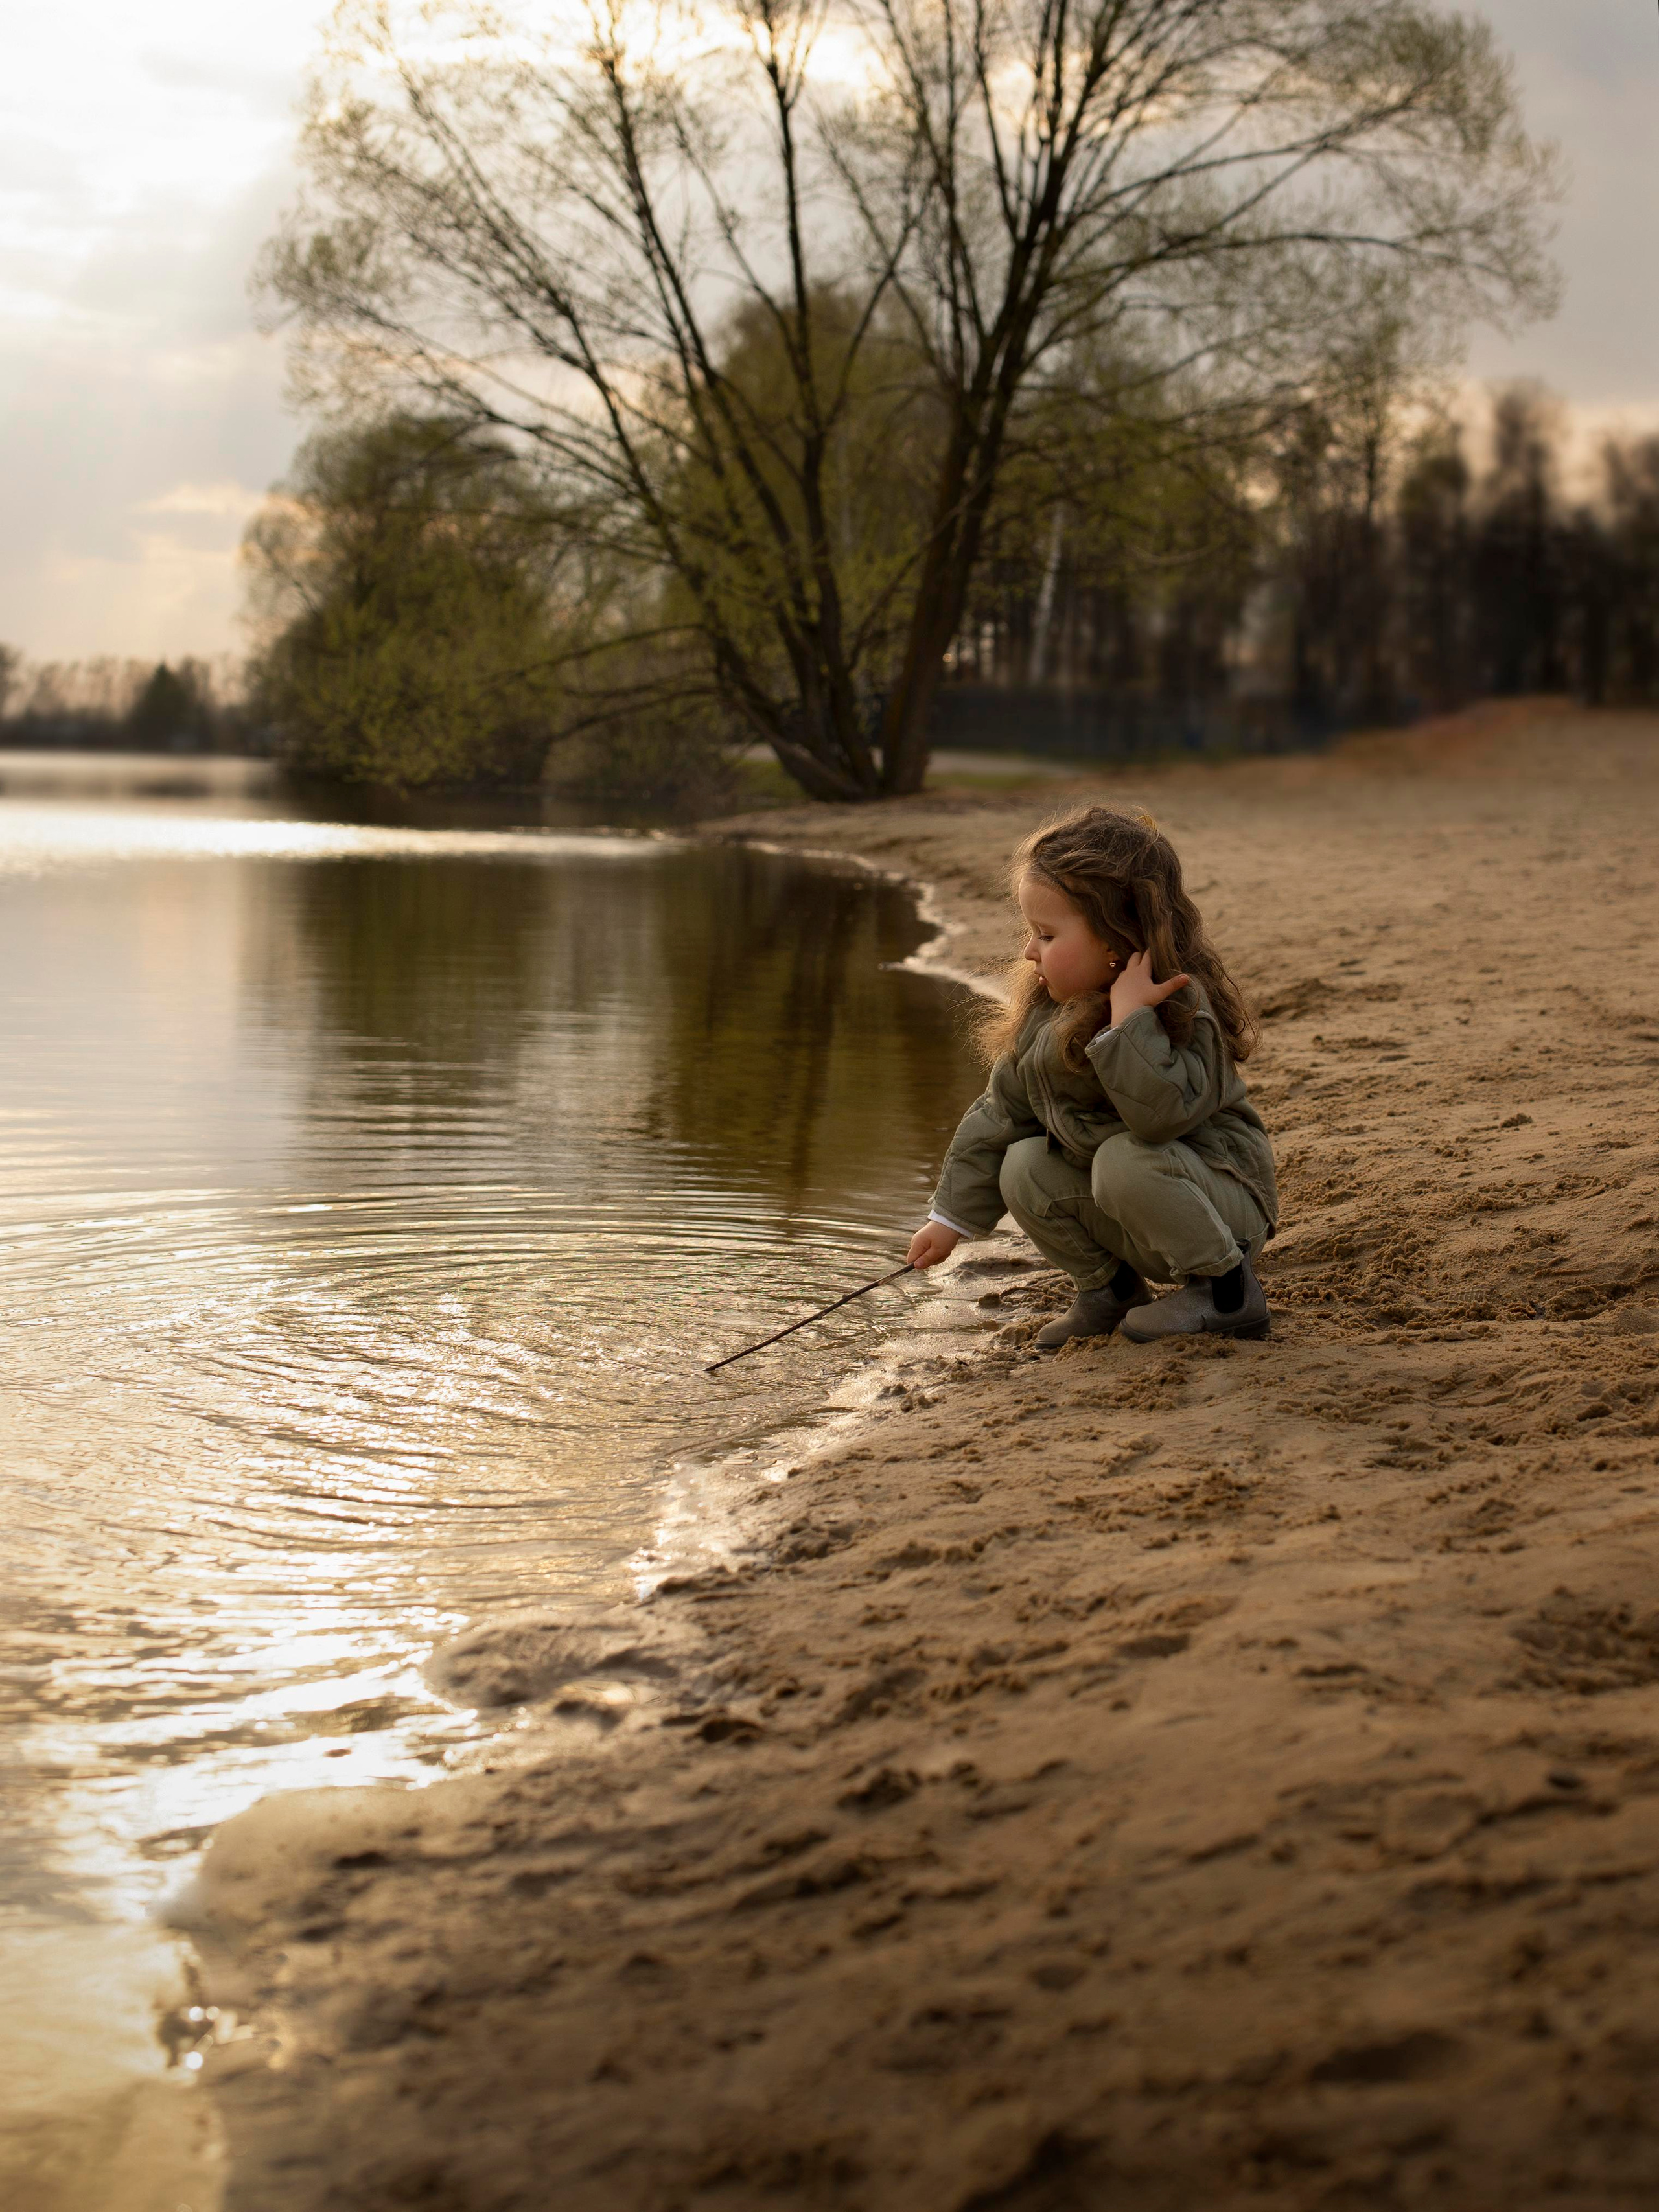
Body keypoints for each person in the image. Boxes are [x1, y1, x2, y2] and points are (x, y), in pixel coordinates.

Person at [906, 807, 1278, 1346]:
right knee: (1023, 1163)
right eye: (1030, 932)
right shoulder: (1045, 1018)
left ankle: (1226, 1294)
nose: (1030, 950)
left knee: (1122, 1158)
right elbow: (999, 1114)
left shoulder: (1182, 1009)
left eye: (1047, 934)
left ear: (1115, 940)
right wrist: (950, 1219)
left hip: (1220, 1211)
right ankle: (1111, 1292)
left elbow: (1160, 1118)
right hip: (1134, 1205)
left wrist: (1130, 1025)